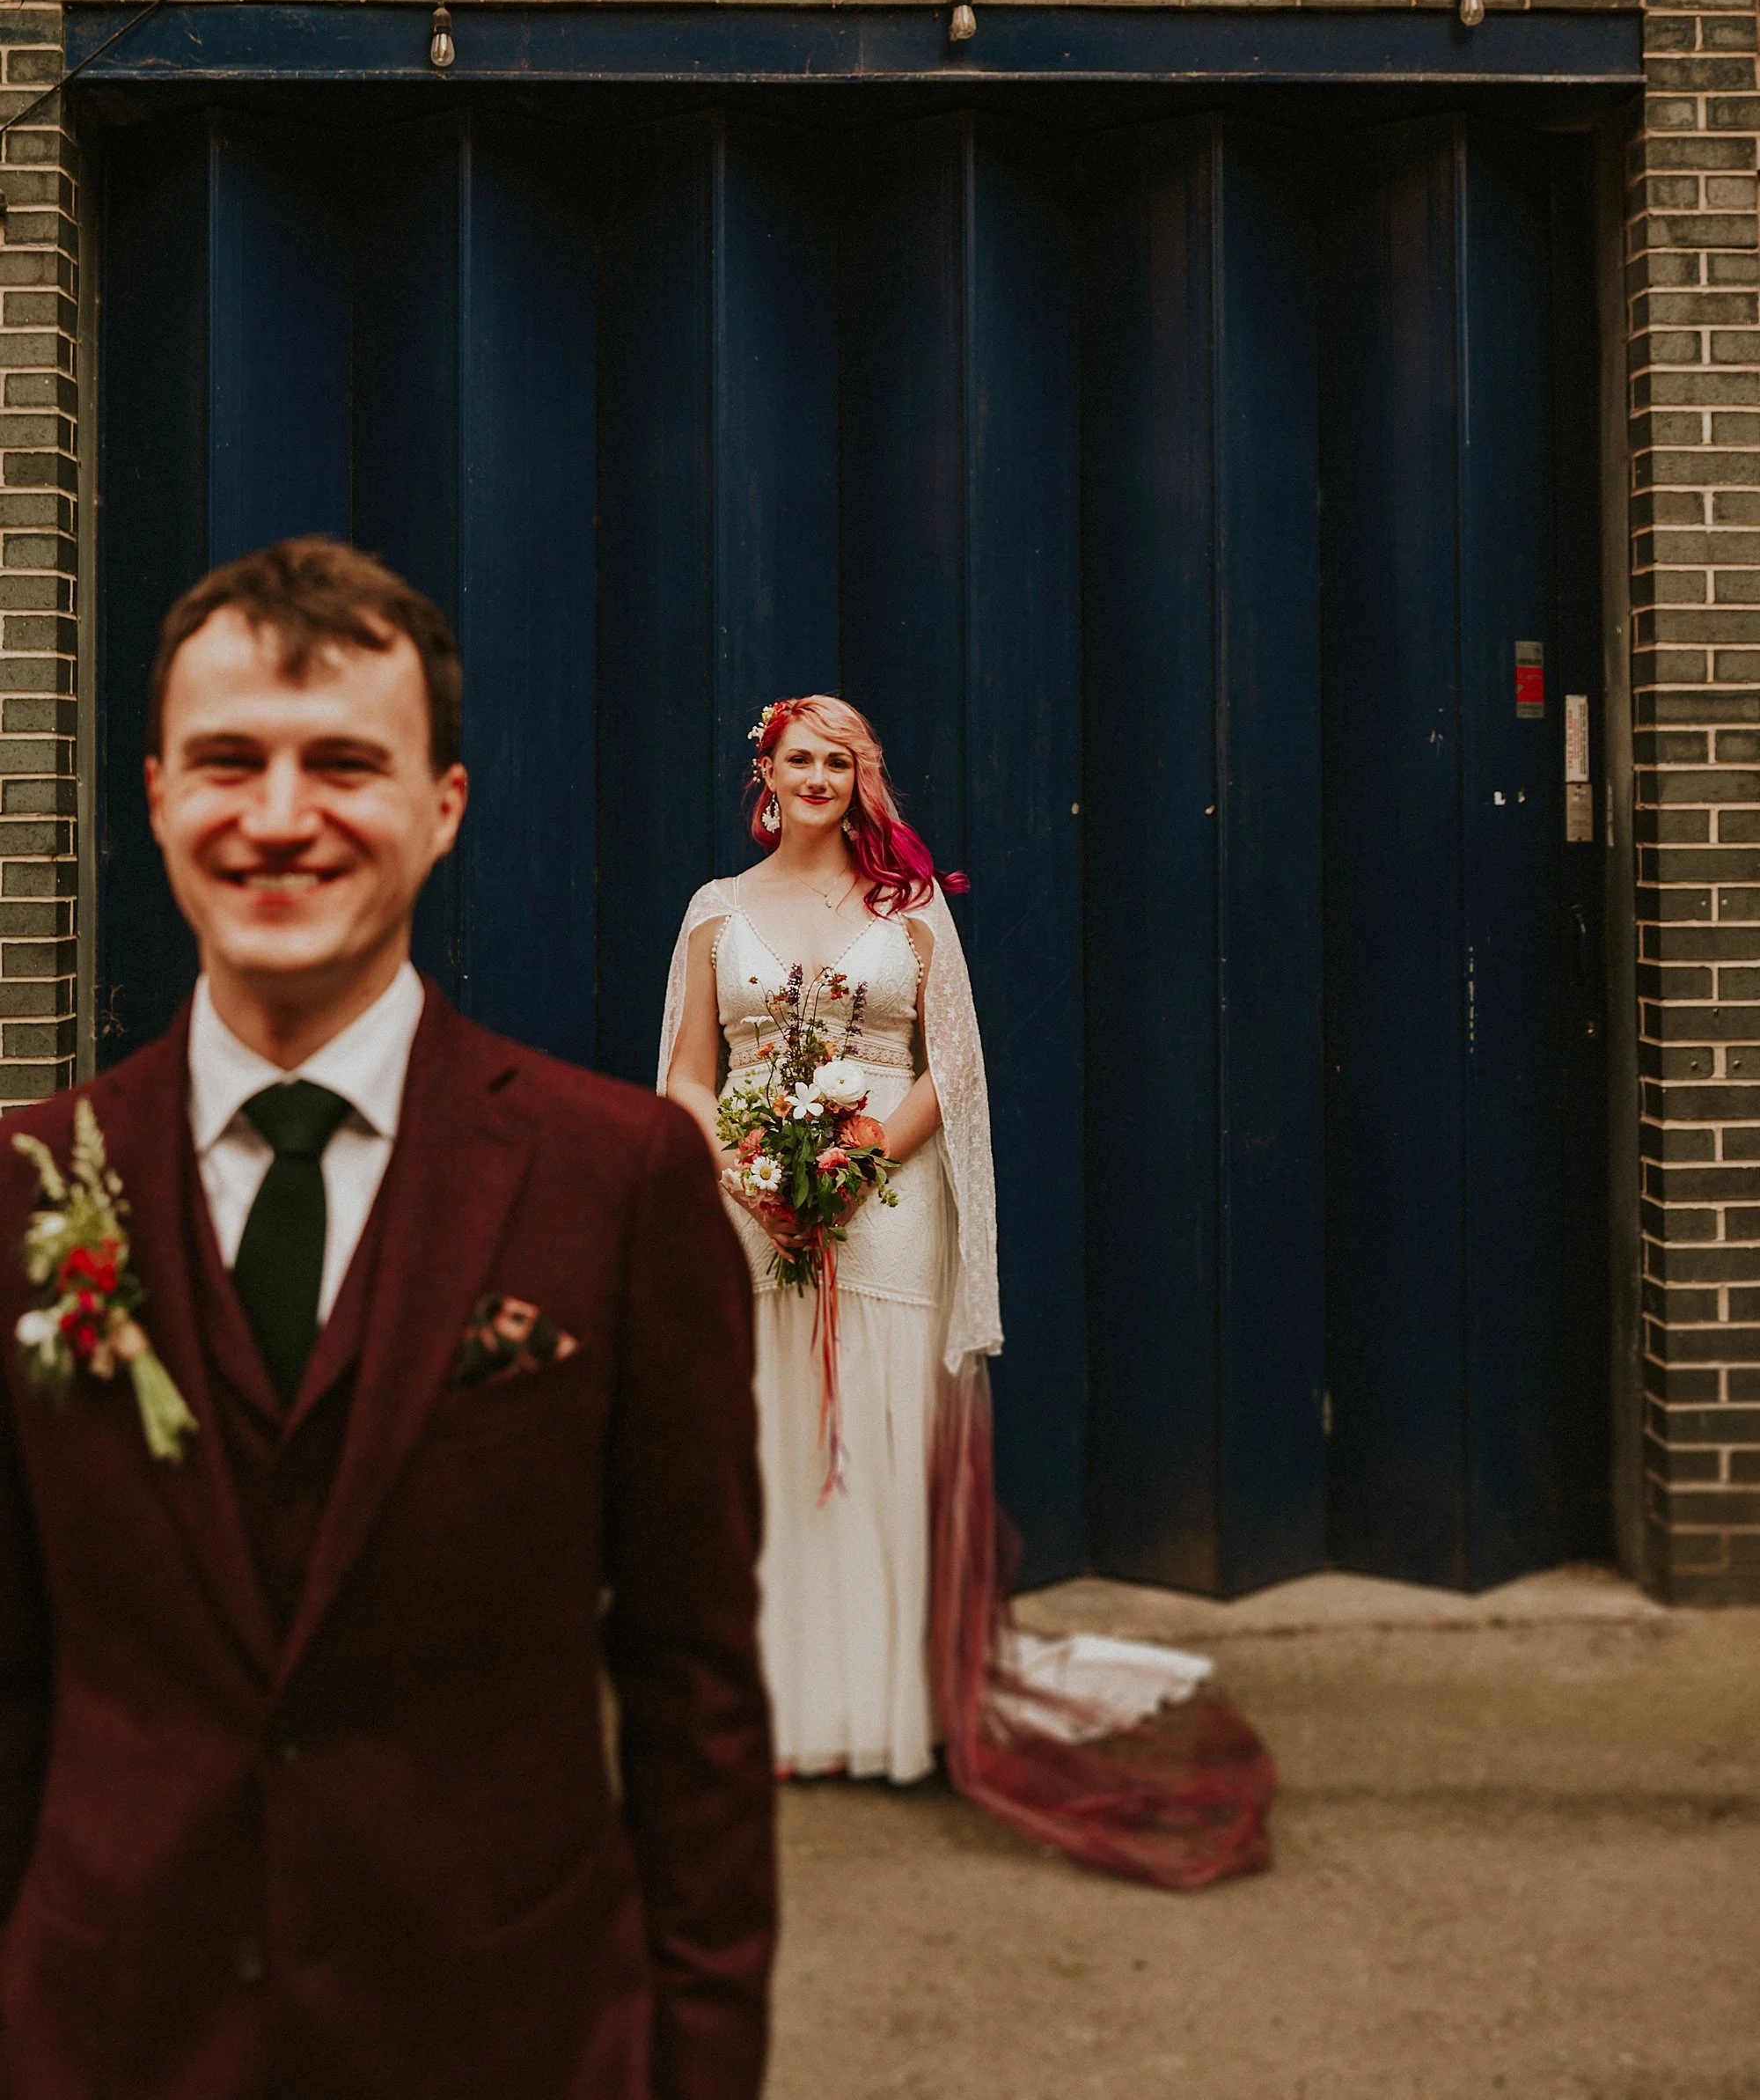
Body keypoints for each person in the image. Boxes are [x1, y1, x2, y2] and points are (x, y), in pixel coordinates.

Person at [0, 538, 774, 2100]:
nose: (279, 817)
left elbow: (695, 1692)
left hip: (511, 2035)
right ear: (155, 798)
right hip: (112, 2036)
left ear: (444, 809)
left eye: (344, 762)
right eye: (230, 761)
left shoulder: (618, 1181)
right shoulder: (21, 1195)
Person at [661, 695, 1274, 1885]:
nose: (820, 776)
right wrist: (744, 1169)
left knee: (884, 1432)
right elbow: (689, 1071)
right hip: (752, 1204)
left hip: (886, 1202)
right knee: (773, 1434)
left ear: (863, 777)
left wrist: (858, 1158)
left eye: (842, 761)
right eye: (801, 758)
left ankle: (895, 1697)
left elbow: (956, 1070)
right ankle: (788, 1699)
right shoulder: (713, 912)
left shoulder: (909, 906)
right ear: (765, 774)